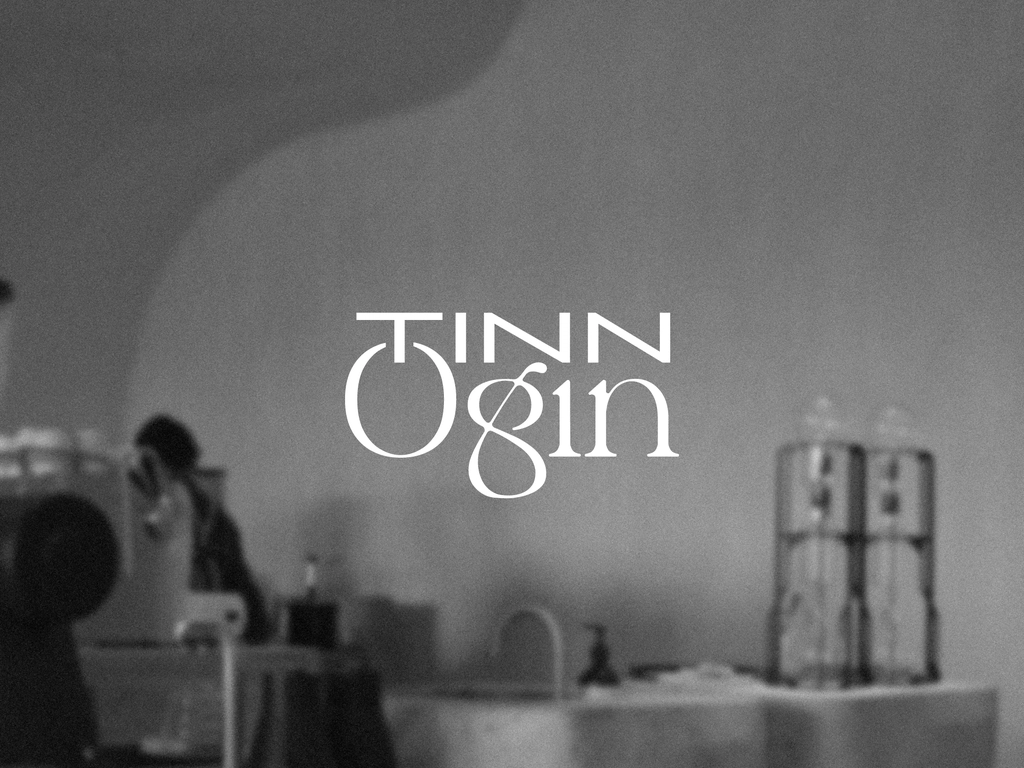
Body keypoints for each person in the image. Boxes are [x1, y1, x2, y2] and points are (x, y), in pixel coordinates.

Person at [133, 414, 272, 644]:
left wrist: (257, 635)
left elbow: (239, 584)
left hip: (194, 637)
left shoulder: (212, 523)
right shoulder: (137, 512)